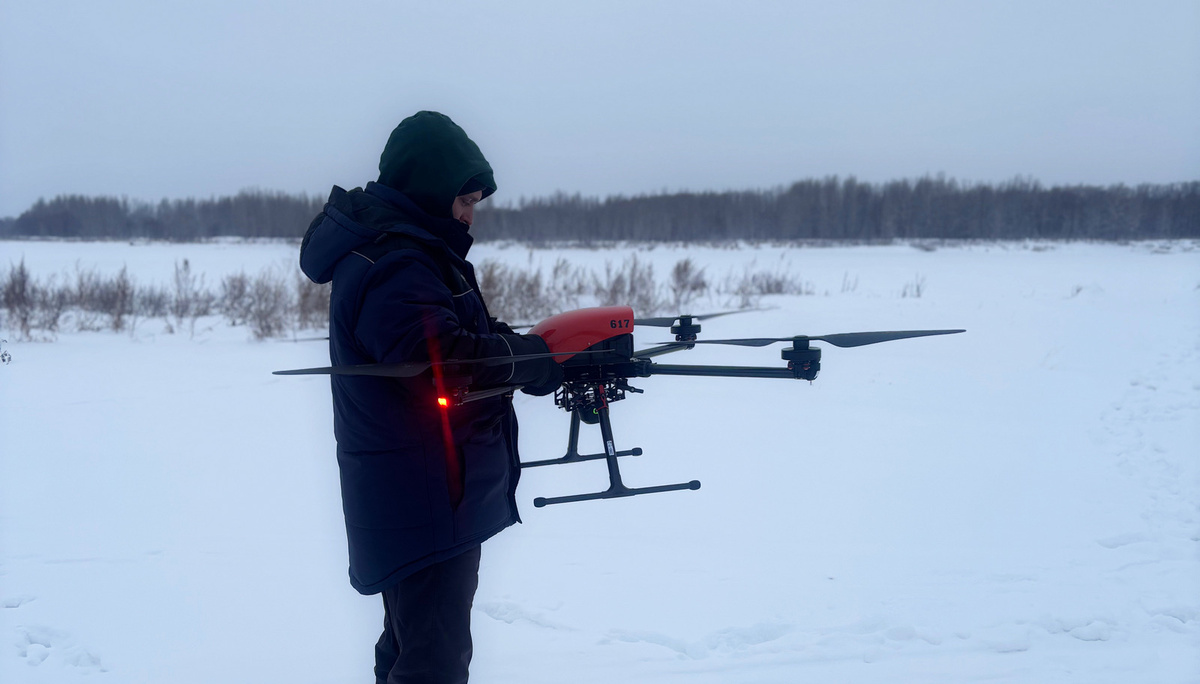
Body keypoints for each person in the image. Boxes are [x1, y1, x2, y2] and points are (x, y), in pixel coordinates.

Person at [298, 111, 561, 684]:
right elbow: (447, 364)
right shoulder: (395, 263)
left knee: (411, 645)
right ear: (429, 189)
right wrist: (534, 359)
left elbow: (457, 338)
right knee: (432, 662)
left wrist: (528, 350)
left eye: (475, 204)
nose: (469, 216)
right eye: (464, 201)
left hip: (423, 492)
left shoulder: (406, 252)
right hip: (424, 497)